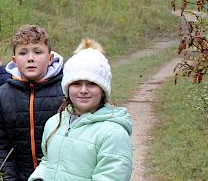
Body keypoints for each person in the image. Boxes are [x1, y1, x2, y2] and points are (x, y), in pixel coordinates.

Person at [29, 39, 132, 181]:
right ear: (67, 88)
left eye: (92, 84)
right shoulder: (54, 123)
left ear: (103, 90)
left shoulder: (113, 134)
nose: (83, 90)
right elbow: (48, 162)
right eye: (76, 83)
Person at [0, 25, 65, 181]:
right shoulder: (3, 94)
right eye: (23, 53)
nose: (30, 58)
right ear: (14, 60)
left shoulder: (65, 90)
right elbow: (0, 145)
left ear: (50, 58)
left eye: (38, 52)